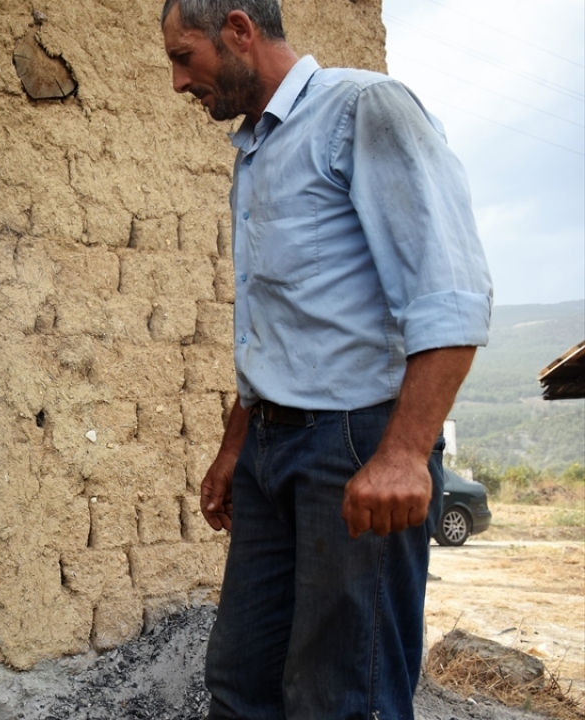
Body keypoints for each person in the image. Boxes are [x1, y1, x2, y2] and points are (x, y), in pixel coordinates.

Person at [159, 0, 493, 717]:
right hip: (271, 451)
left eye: (185, 58)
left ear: (240, 30)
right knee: (241, 685)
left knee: (343, 696)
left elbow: (451, 292)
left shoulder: (364, 108)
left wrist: (404, 454)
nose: (179, 83)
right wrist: (235, 446)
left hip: (355, 445)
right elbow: (282, 326)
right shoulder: (258, 151)